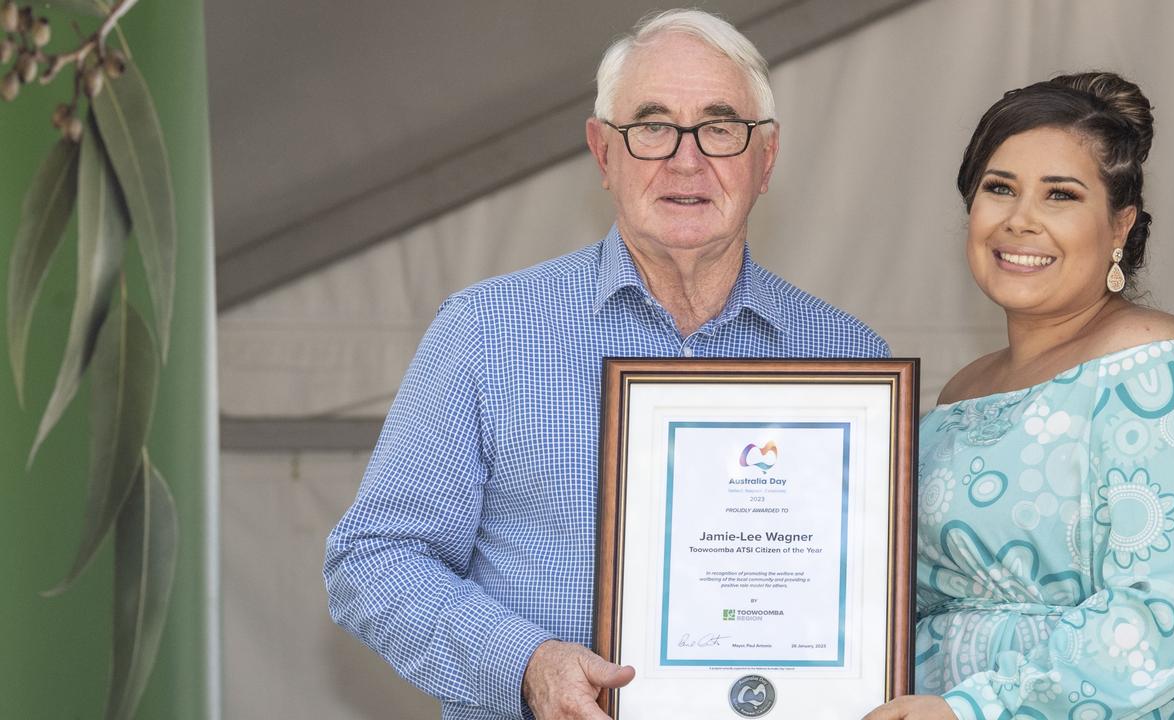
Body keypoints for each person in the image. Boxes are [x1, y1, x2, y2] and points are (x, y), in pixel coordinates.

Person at [324, 9, 888, 720]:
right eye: (651, 126)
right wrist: (527, 665)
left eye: (720, 127)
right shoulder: (487, 334)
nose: (687, 161)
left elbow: (876, 595)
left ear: (766, 158)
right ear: (603, 153)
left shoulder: (852, 362)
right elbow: (372, 561)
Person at [866, 72, 1174, 720]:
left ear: (1119, 227)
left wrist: (977, 709)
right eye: (1000, 189)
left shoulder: (1158, 371)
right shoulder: (961, 391)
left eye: (1060, 196)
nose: (1021, 220)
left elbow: (1165, 613)